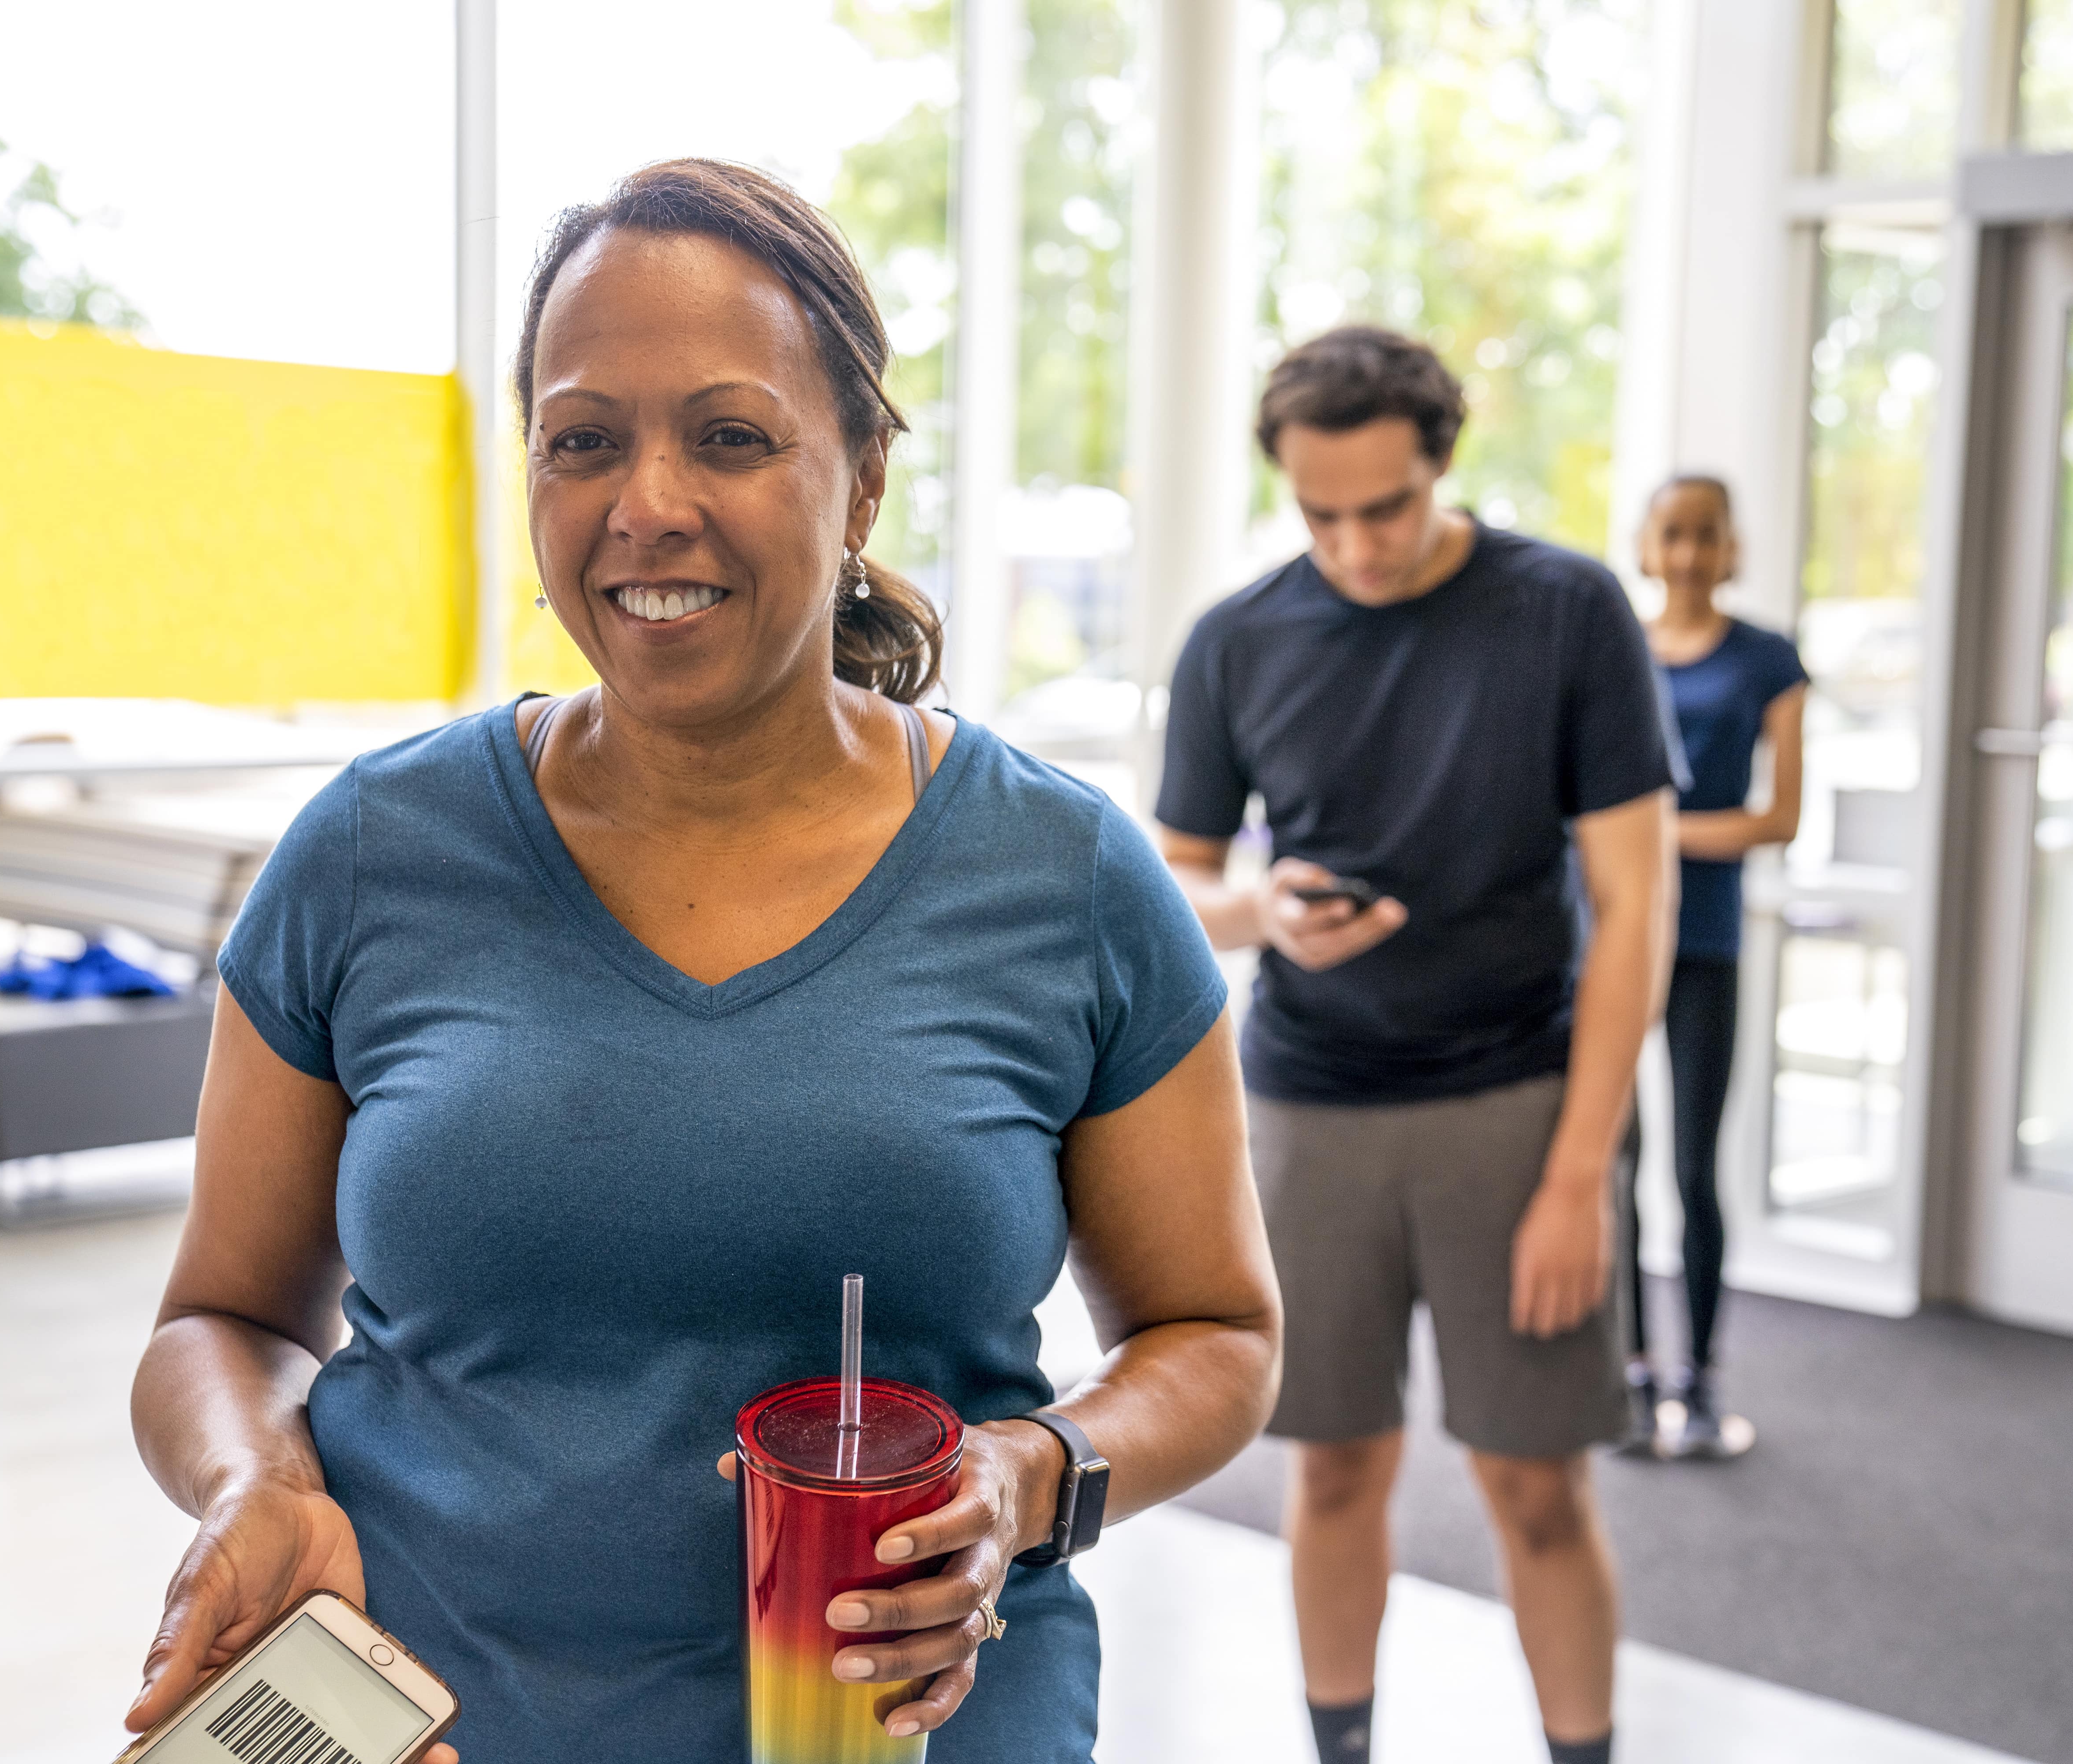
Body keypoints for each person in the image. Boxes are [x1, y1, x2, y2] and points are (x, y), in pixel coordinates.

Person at [122, 158, 1281, 1762]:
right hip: (435, 1722)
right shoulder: (374, 849)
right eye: (583, 440)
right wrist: (262, 1479)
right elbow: (220, 1322)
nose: (645, 504)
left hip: (910, 1732)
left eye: (731, 437)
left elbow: (1218, 1334)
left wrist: (1033, 1476)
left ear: (865, 477)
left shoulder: (1065, 876)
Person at [1156, 325, 1680, 1764]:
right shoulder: (1240, 639)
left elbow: (1638, 900)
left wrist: (1584, 1174)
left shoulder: (1566, 612)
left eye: (1382, 510)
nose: (1354, 546)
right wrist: (1261, 909)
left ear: (1442, 466)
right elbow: (1178, 879)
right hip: (1312, 1111)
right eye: (1319, 515)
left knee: (1536, 1487)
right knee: (1332, 1473)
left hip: (1516, 1108)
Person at [1616, 474, 1807, 1461]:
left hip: (1707, 943)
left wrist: (1644, 830)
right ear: (1647, 545)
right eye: (1672, 534)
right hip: (1613, 937)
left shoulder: (1769, 658)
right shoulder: (1614, 652)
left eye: (1706, 535)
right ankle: (1633, 1372)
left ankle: (1702, 1376)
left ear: (1730, 547)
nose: (1688, 552)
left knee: (1694, 1166)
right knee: (1617, 1162)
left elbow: (1778, 818)